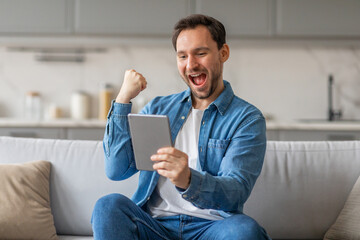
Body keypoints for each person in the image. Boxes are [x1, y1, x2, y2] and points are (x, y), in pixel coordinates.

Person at [92, 14, 270, 240]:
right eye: (182, 56)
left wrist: (188, 179)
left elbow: (236, 191)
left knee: (245, 231)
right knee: (108, 206)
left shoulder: (246, 118)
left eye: (201, 53)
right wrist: (123, 100)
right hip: (155, 227)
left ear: (223, 53)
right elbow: (116, 170)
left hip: (212, 229)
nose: (191, 64)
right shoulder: (158, 108)